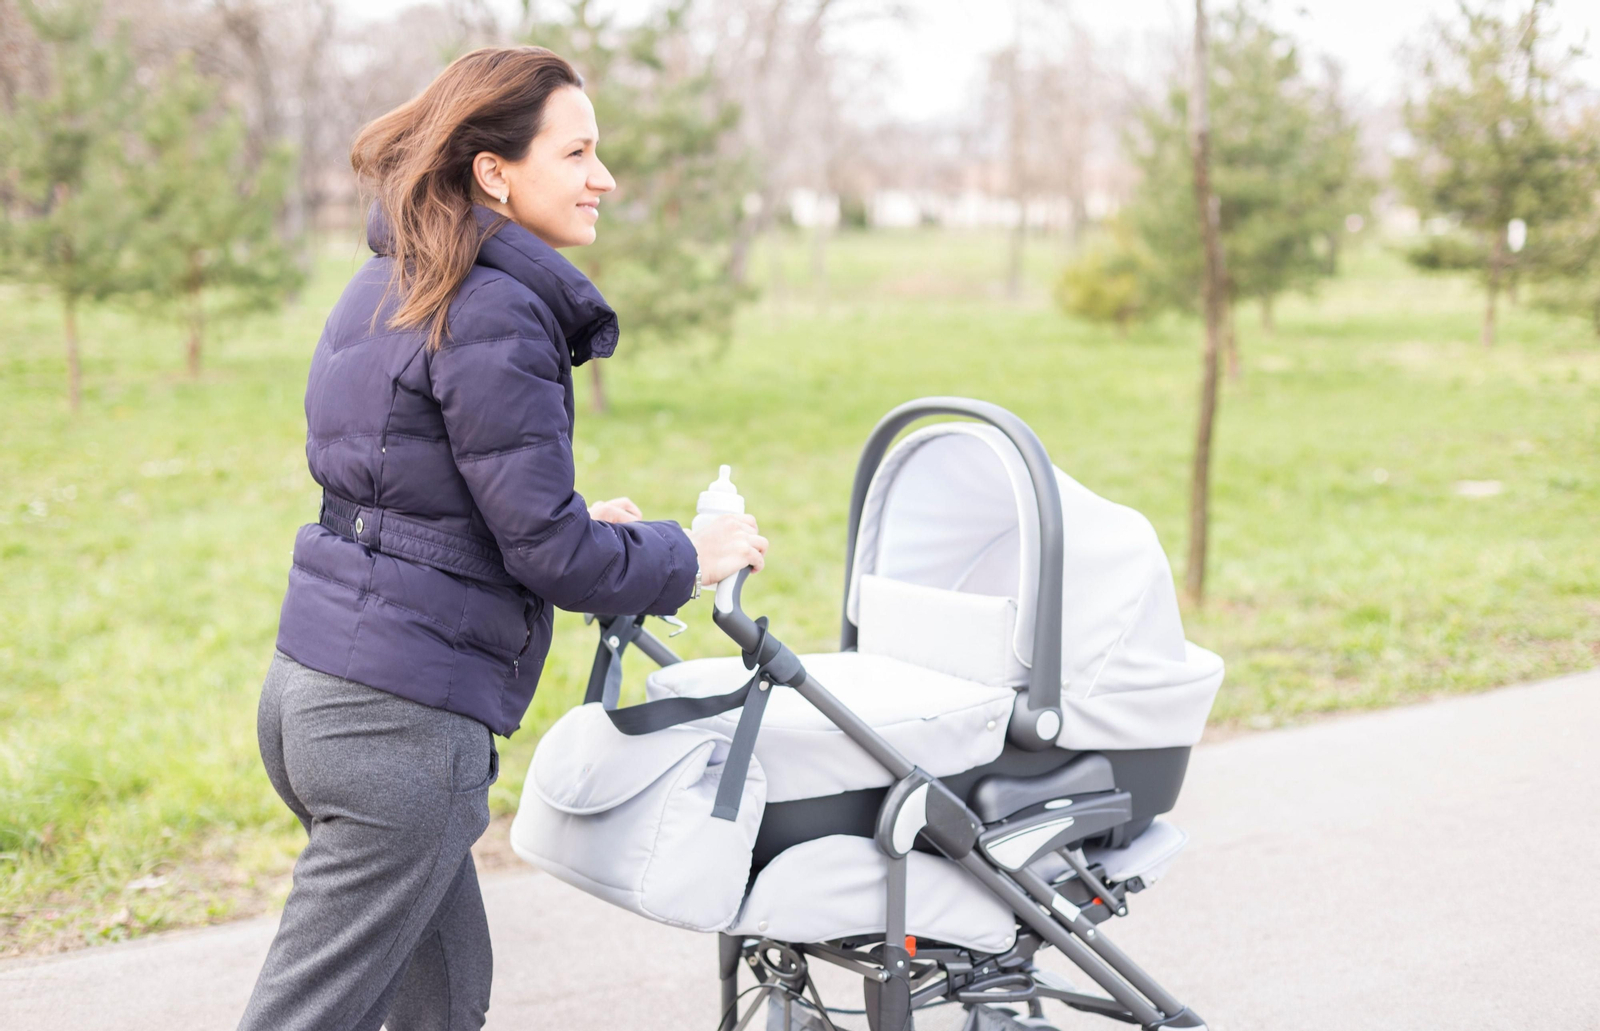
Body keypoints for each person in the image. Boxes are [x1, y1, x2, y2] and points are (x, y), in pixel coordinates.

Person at [237, 46, 766, 1031]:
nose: (604, 177)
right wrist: (692, 555)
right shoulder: (495, 308)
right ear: (494, 171)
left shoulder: (393, 282)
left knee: (442, 999)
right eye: (576, 153)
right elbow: (552, 558)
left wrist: (578, 522)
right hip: (397, 727)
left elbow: (405, 494)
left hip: (311, 691)